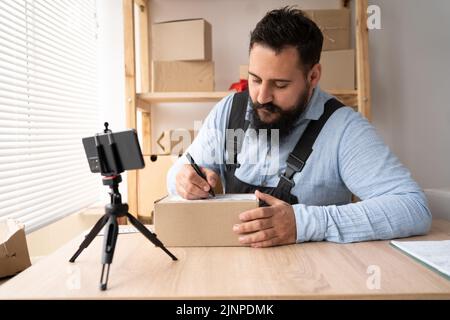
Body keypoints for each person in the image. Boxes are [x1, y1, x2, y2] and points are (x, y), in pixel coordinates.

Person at [166, 6, 431, 247]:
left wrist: (304, 223)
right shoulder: (231, 111)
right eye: (255, 79)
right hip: (234, 275)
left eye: (280, 85)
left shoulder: (342, 129)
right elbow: (180, 171)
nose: (261, 97)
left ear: (313, 76)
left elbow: (413, 208)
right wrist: (184, 179)